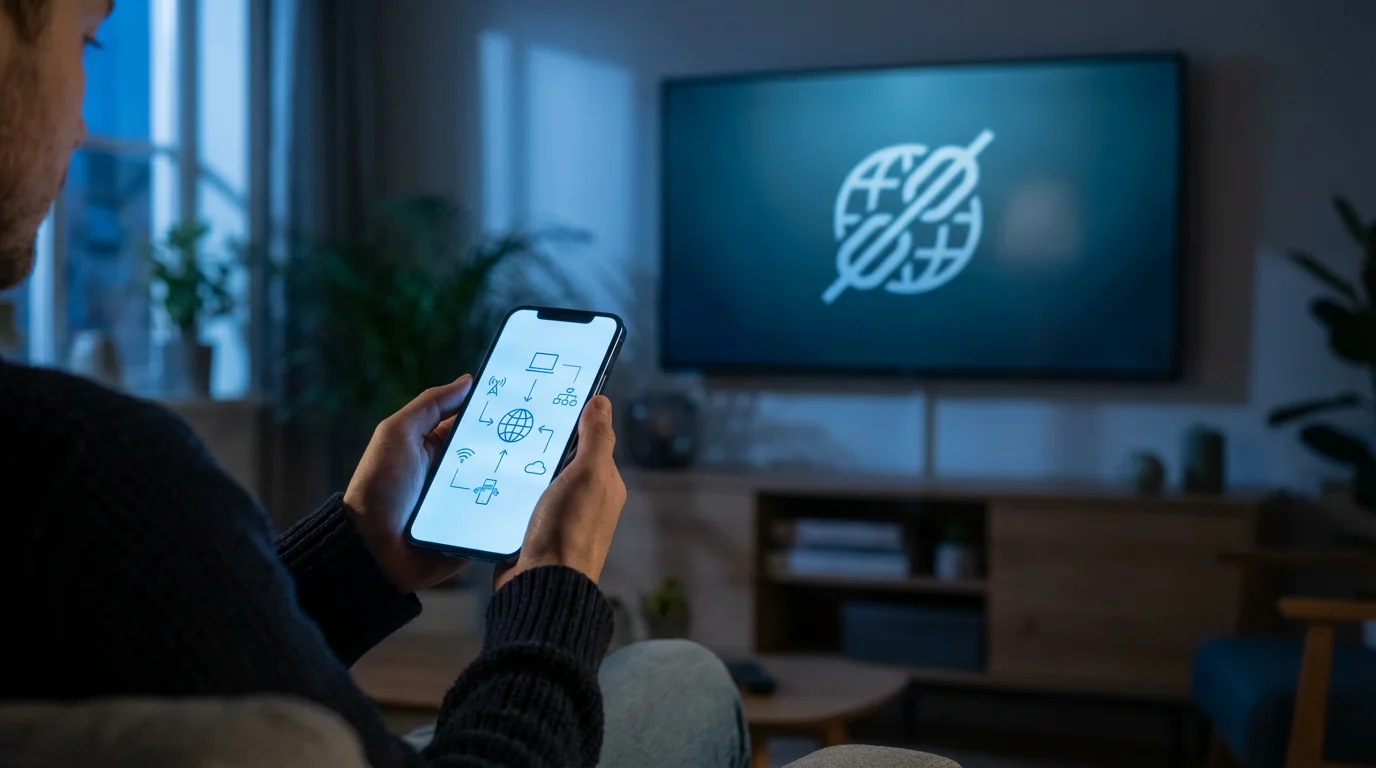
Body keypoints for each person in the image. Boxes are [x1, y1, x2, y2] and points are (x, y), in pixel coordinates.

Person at [0, 1, 749, 766]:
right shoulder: (80, 472)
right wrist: (553, 584)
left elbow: (188, 668)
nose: (83, 124)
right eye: (87, 42)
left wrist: (362, 548)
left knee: (674, 673)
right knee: (685, 679)